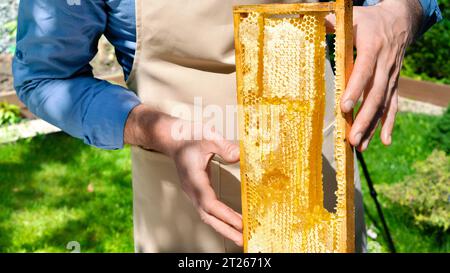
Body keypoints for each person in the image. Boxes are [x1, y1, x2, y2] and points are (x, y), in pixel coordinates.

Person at [13, 0, 441, 252]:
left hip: (323, 202)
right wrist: (155, 128)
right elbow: (46, 77)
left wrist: (401, 13)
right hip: (185, 228)